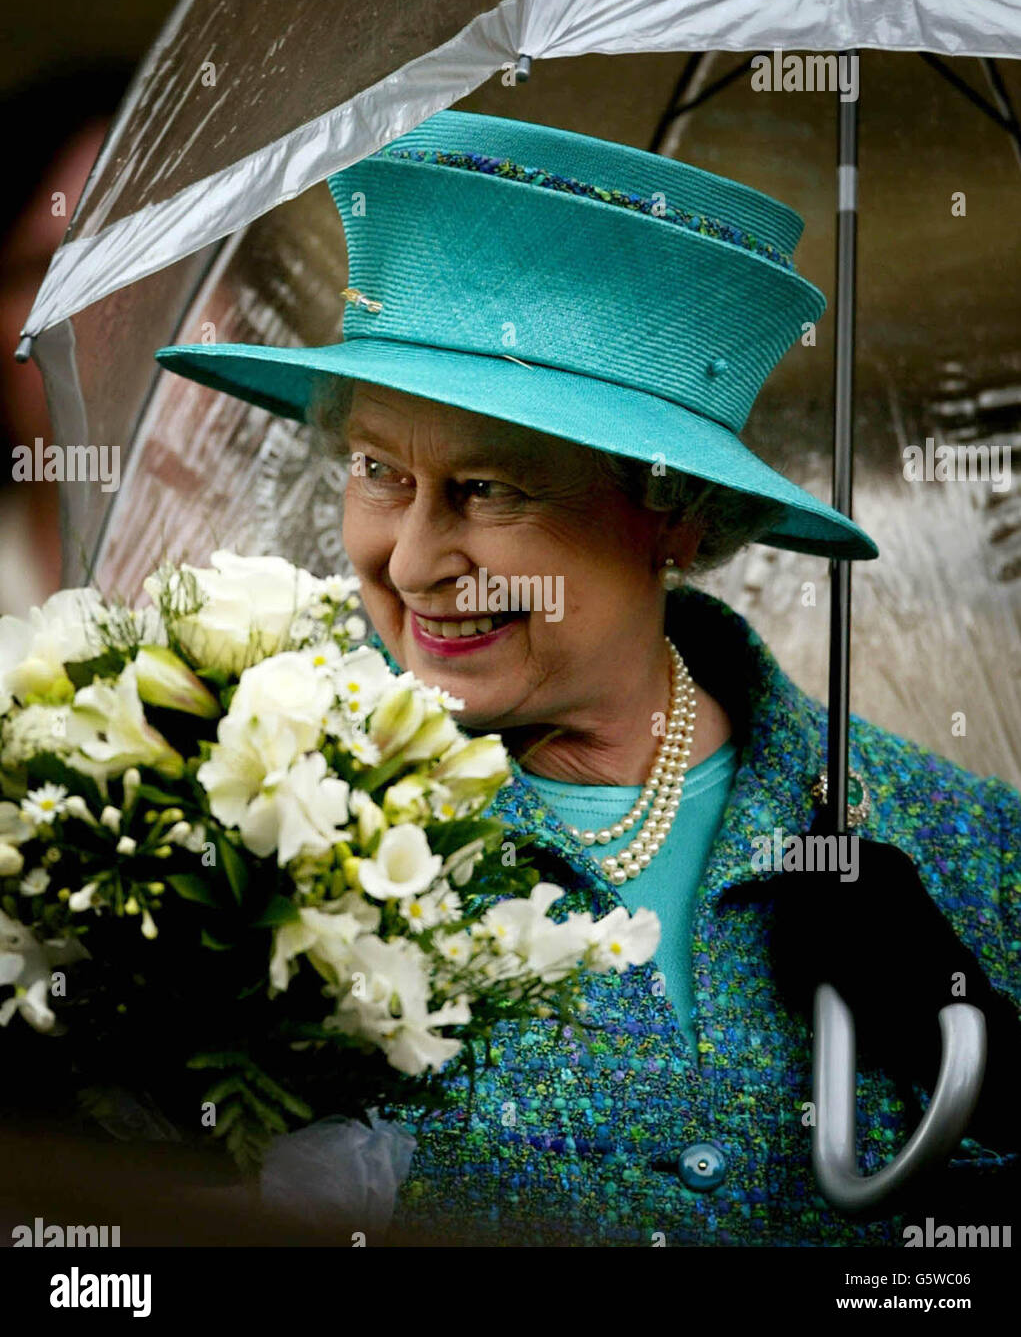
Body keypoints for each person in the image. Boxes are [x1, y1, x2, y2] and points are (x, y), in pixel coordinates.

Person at [155, 109, 1021, 1246]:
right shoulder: (224, 819)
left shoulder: (965, 848)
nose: (411, 563)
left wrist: (979, 1064)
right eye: (378, 470)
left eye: (489, 489)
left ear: (676, 513)